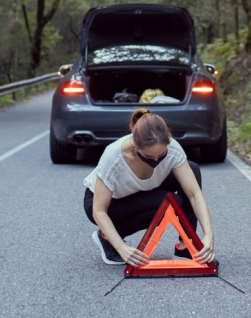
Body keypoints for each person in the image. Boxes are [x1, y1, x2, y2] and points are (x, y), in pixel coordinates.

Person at [83, 108, 215, 267]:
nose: (156, 160)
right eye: (149, 157)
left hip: (141, 192)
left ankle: (186, 246)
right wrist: (122, 247)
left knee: (192, 169)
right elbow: (99, 211)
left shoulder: (173, 148)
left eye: (162, 155)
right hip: (109, 204)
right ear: (135, 146)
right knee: (168, 203)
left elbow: (194, 194)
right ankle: (108, 240)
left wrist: (208, 236)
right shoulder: (114, 157)